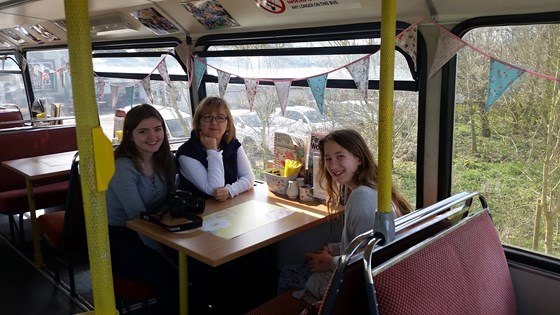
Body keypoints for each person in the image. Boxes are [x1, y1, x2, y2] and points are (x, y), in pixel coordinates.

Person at [278, 128, 412, 302]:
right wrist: (334, 249)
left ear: (358, 157)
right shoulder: (377, 189)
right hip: (365, 277)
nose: (333, 166)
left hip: (357, 288)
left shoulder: (361, 197)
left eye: (340, 156)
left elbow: (369, 259)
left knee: (287, 274)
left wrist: (330, 262)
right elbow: (365, 242)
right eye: (328, 159)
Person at [106, 104, 179, 315]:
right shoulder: (122, 168)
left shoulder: (165, 159)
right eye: (143, 131)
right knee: (166, 273)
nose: (153, 136)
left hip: (156, 226)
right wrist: (162, 253)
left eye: (157, 129)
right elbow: (136, 219)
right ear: (129, 136)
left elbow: (170, 199)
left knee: (195, 262)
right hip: (121, 235)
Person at [176, 96, 255, 201]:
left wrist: (229, 190)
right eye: (207, 117)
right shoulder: (186, 153)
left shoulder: (232, 144)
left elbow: (249, 177)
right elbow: (214, 189)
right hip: (199, 212)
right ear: (199, 123)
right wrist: (212, 151)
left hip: (228, 207)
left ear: (227, 125)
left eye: (220, 117)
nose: (214, 122)